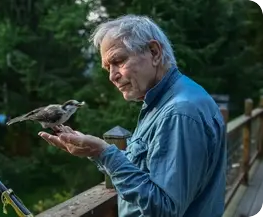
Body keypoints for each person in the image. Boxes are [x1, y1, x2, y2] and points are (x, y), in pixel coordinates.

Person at [38, 14, 227, 217]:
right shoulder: (172, 99)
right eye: (107, 68)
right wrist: (95, 152)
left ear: (154, 53)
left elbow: (164, 209)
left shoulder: (179, 112)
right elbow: (145, 172)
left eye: (118, 61)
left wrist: (104, 153)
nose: (112, 76)